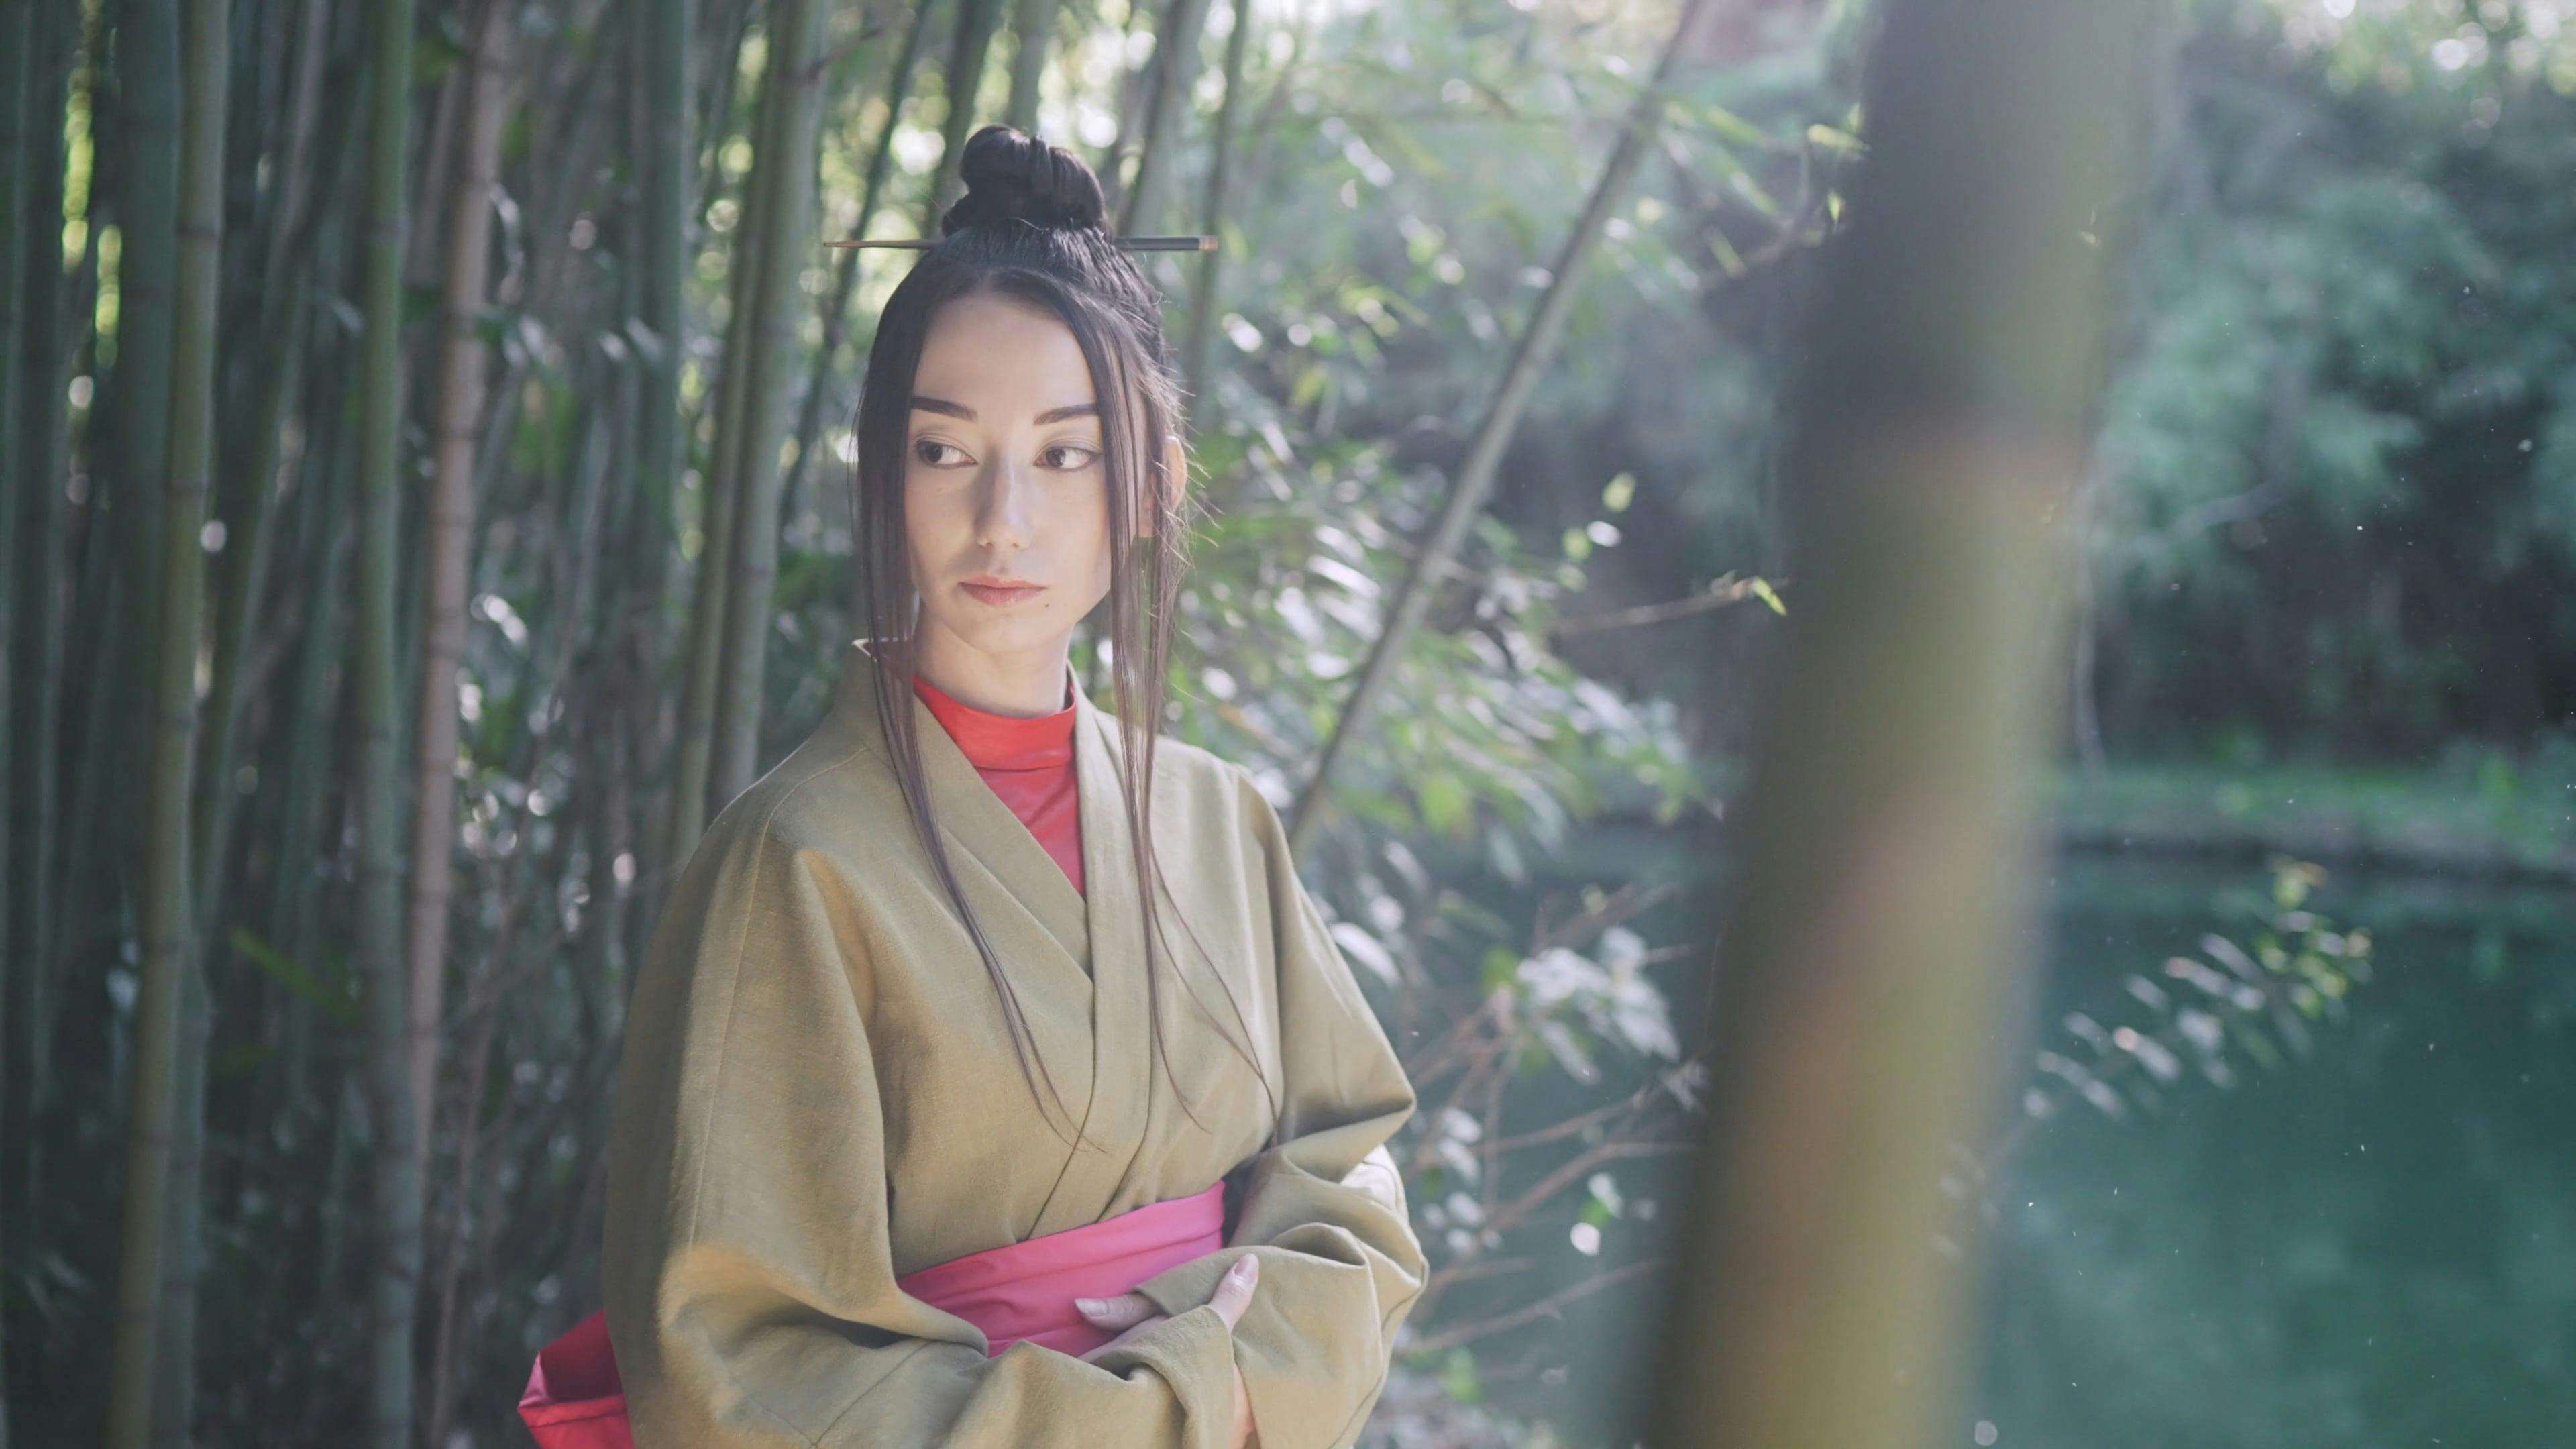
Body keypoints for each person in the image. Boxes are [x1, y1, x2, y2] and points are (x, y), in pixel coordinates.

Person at [530, 124, 1426, 1448]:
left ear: (1151, 485)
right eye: (945, 451)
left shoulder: (1218, 819)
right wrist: (1158, 1411)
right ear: (884, 474)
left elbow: (1354, 1168)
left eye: (1066, 454)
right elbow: (732, 1367)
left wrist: (1248, 1387)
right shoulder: (793, 860)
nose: (1003, 517)